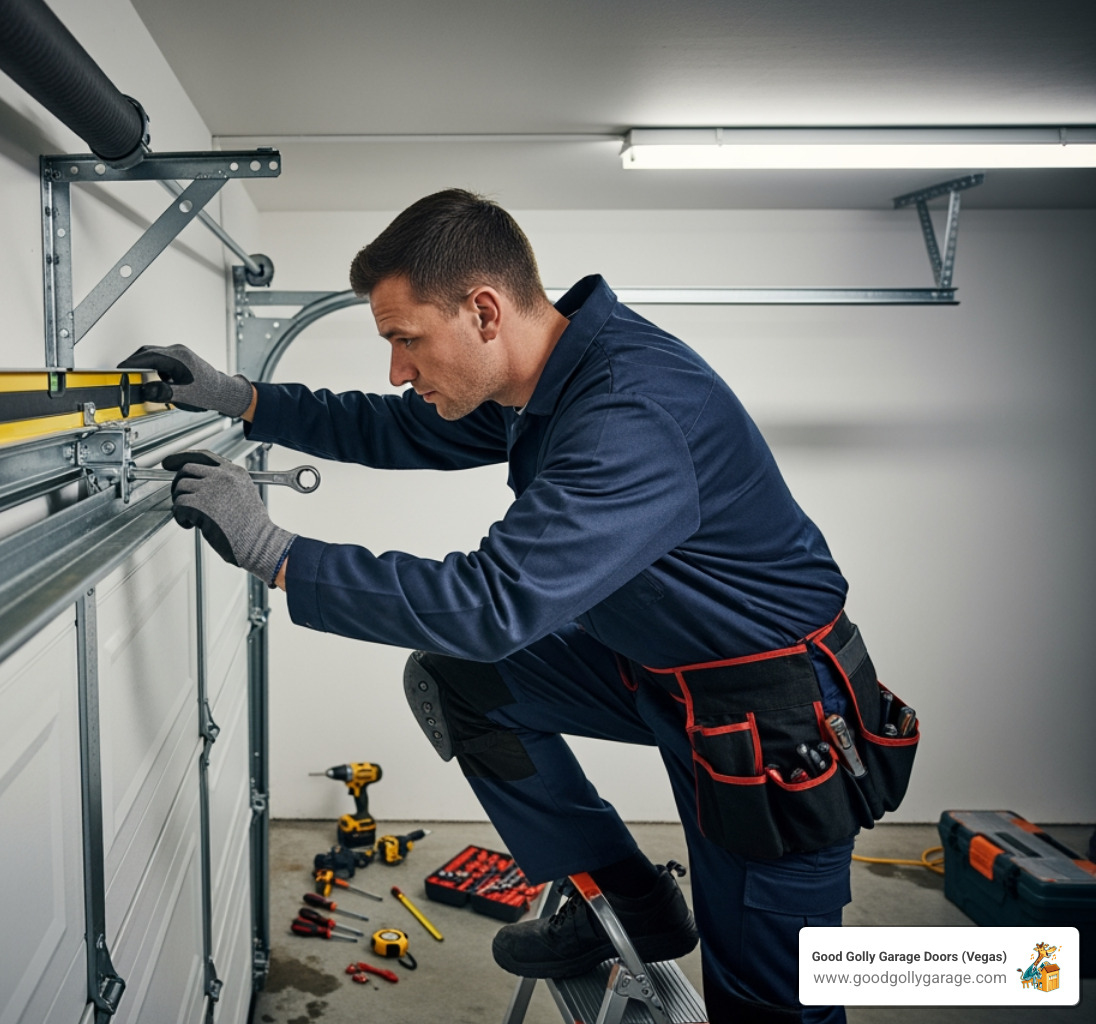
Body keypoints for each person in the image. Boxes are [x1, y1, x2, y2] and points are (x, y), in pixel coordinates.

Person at [120, 189, 917, 1024]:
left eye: (405, 339)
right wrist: (242, 398)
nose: (398, 370)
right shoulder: (550, 377)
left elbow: (491, 603)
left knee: (769, 1003)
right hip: (660, 666)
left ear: (484, 312)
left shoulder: (626, 413)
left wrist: (276, 553)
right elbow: (404, 429)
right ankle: (630, 902)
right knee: (468, 682)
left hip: (772, 717)